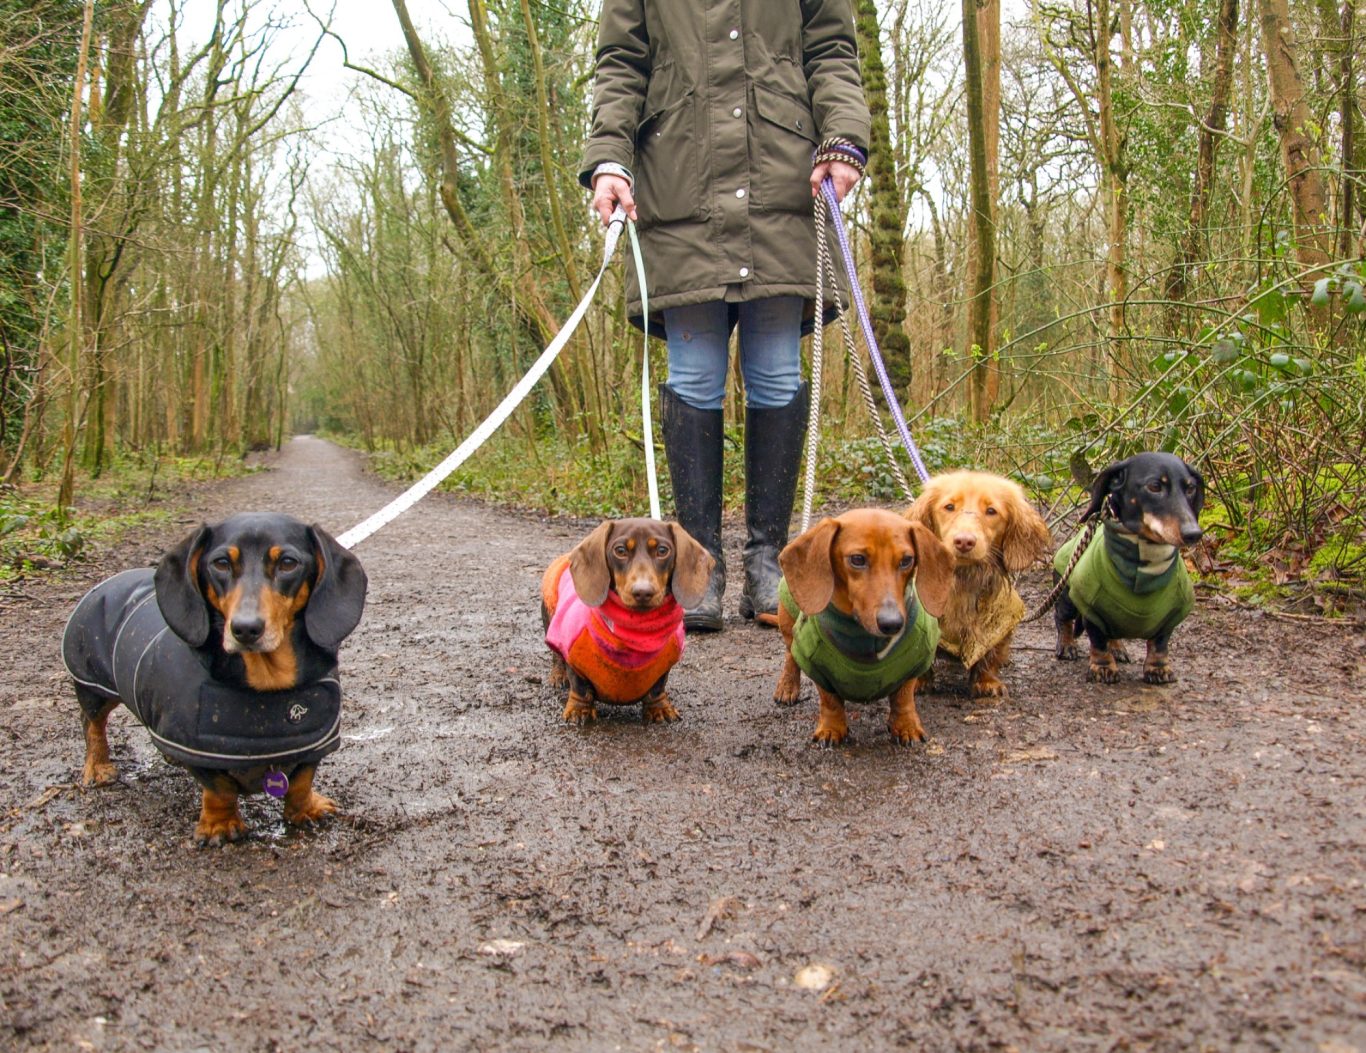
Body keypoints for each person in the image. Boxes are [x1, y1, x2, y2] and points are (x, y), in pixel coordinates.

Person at [580, 1, 870, 632]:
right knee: (694, 374)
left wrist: (844, 137)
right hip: (678, 188)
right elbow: (621, 63)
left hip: (782, 190)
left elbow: (832, 51)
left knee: (774, 372)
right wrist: (609, 158)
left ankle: (769, 563)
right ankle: (697, 569)